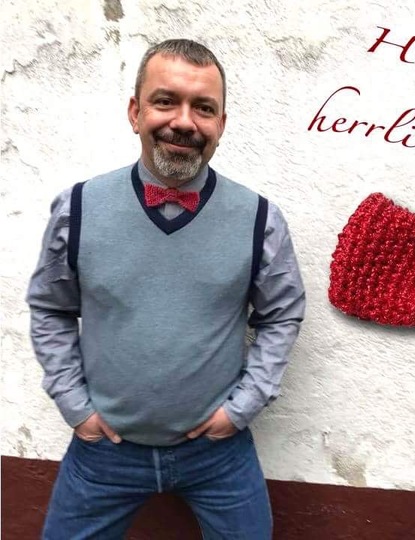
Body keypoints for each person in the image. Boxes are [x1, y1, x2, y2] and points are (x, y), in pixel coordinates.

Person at [26, 38, 305, 539]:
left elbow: (281, 315)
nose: (184, 121)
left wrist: (242, 408)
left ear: (221, 124)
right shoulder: (78, 209)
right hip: (104, 452)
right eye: (165, 101)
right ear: (135, 112)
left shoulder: (259, 219)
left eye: (204, 108)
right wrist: (76, 407)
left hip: (219, 455)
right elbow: (50, 308)